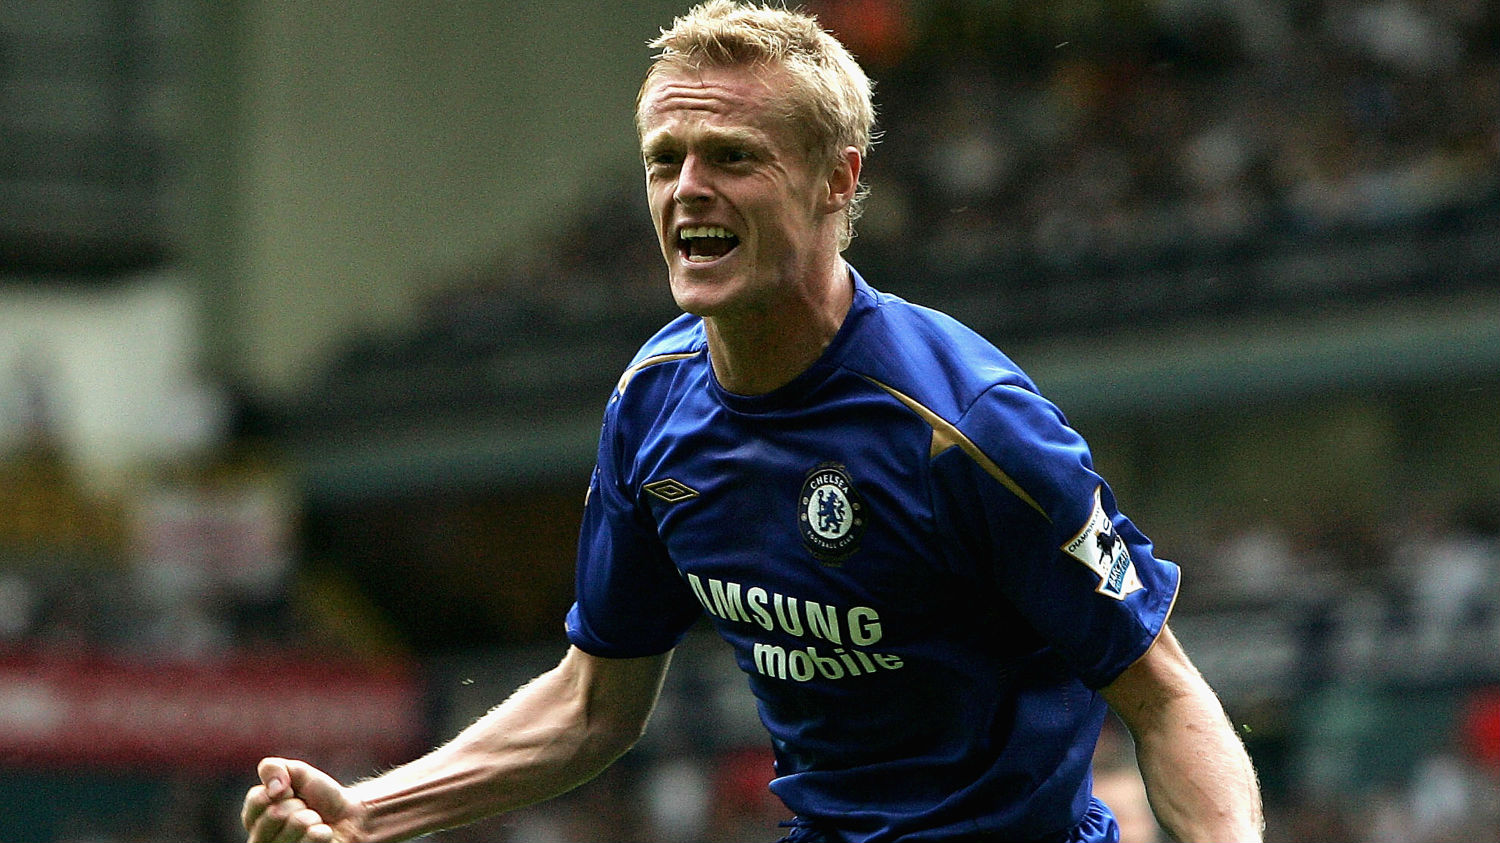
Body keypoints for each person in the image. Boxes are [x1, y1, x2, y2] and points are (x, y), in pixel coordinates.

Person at [242, 2, 1263, 841]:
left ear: (837, 180)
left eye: (732, 157)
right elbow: (593, 704)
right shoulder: (653, 406)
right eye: (665, 160)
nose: (689, 191)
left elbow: (1169, 699)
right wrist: (371, 811)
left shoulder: (971, 428)